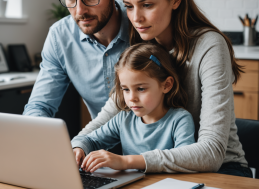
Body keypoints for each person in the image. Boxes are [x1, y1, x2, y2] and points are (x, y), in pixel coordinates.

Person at [73, 0, 253, 178]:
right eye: (129, 6)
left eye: (146, 4)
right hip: (162, 173)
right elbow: (103, 121)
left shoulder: (209, 45)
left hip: (224, 171)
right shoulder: (143, 49)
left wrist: (128, 161)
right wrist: (77, 147)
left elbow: (212, 153)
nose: (136, 18)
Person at [23, 0, 129, 120]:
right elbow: (40, 105)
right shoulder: (60, 37)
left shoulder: (144, 25)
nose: (80, 11)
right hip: (97, 146)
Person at [72, 43, 195, 173]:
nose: (132, 98)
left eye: (141, 89)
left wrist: (124, 161)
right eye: (125, 89)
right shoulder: (123, 119)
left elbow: (185, 159)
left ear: (166, 85)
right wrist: (79, 148)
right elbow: (90, 139)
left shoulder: (180, 119)